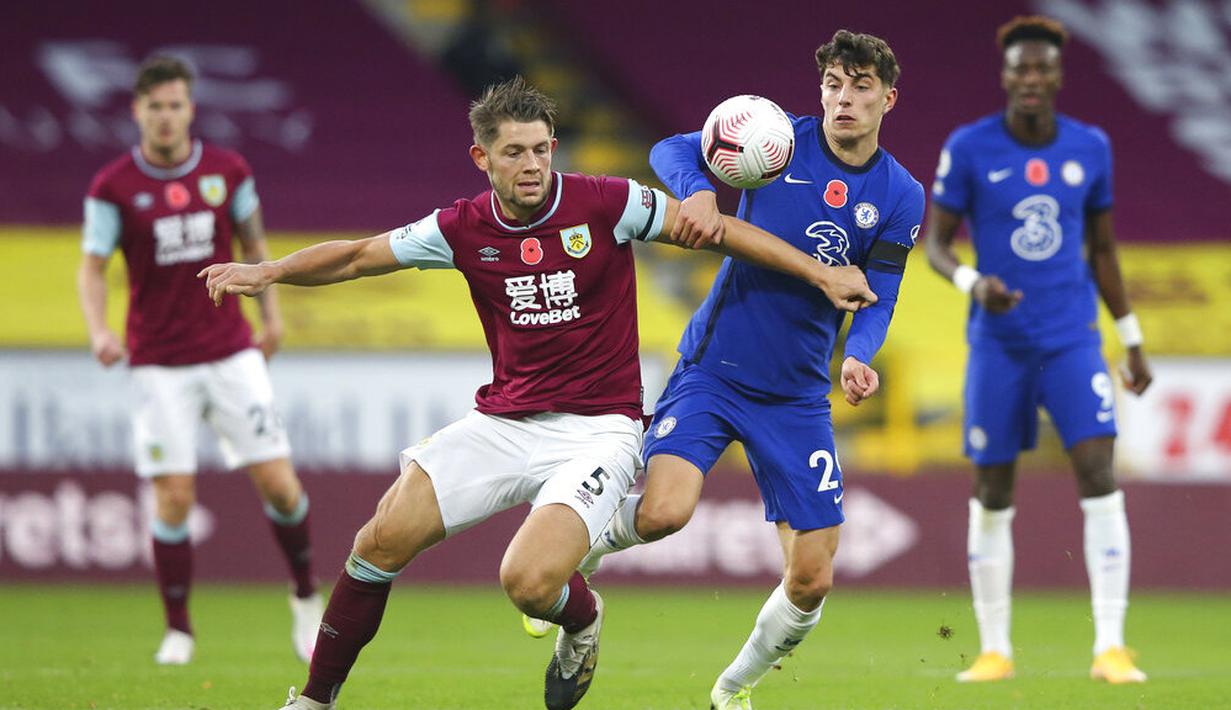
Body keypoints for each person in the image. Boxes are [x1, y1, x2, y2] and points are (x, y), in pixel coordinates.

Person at [198, 76, 876, 710]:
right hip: (502, 421)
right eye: (513, 152)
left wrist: (818, 273)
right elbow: (355, 256)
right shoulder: (460, 228)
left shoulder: (609, 204)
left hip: (598, 430)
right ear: (481, 157)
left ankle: (580, 618)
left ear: (554, 147)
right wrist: (271, 271)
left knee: (525, 582)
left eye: (540, 149)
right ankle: (312, 700)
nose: (531, 164)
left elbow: (718, 232)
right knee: (377, 541)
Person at [549, 30, 924, 710]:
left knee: (811, 578)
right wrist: (695, 190)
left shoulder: (900, 194)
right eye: (833, 85)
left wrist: (859, 356)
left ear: (887, 98)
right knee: (663, 514)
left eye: (860, 86)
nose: (843, 99)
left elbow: (881, 290)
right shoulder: (775, 139)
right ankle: (578, 554)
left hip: (798, 395)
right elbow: (670, 150)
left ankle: (732, 688)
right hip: (714, 370)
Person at [923, 15, 1152, 684]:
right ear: (1004, 76)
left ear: (1056, 75)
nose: (1029, 78)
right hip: (997, 341)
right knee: (992, 487)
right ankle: (994, 649)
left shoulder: (1090, 146)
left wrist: (1131, 340)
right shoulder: (968, 147)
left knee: (1097, 472)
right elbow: (936, 244)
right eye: (1018, 68)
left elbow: (1103, 250)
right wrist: (972, 283)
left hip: (1072, 338)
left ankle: (1110, 645)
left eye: (1040, 69)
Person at [76, 56, 322, 666]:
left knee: (281, 486)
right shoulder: (112, 187)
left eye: (175, 105)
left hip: (230, 351)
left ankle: (304, 596)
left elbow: (255, 248)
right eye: (154, 106)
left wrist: (271, 319)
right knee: (174, 497)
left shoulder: (227, 170)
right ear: (137, 110)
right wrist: (99, 331)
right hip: (158, 361)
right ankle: (180, 629)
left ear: (191, 108)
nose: (165, 116)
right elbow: (92, 267)